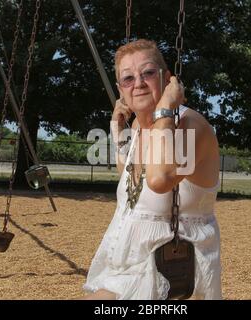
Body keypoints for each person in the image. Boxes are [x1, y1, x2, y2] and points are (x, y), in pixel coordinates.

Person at [81, 39, 222, 300]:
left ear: (167, 80)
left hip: (174, 274)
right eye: (128, 79)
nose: (138, 83)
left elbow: (159, 180)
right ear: (120, 91)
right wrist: (118, 129)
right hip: (129, 264)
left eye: (147, 73)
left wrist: (165, 109)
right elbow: (128, 181)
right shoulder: (136, 129)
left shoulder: (191, 126)